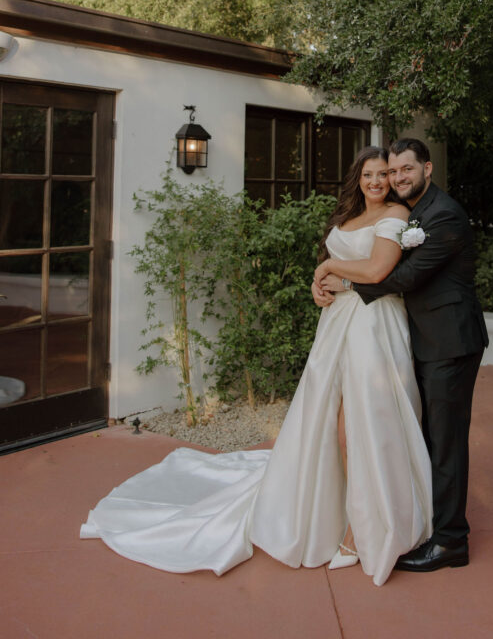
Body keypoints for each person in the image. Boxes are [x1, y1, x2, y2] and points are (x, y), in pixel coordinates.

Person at [81, 146, 432, 587]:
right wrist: (318, 283)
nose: (377, 181)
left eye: (384, 174)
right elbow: (347, 271)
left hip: (373, 327)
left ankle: (361, 531)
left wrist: (329, 265)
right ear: (357, 178)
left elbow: (380, 269)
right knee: (327, 427)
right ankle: (332, 517)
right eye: (368, 174)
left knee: (363, 427)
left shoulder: (397, 214)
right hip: (337, 324)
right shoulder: (349, 215)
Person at [313, 138, 488, 572]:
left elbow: (403, 275)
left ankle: (451, 542)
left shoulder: (442, 213)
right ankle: (423, 521)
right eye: (392, 171)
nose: (396, 178)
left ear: (427, 168)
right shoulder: (417, 211)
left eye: (405, 169)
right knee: (419, 436)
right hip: (419, 337)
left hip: (450, 342)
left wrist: (342, 279)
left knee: (446, 444)